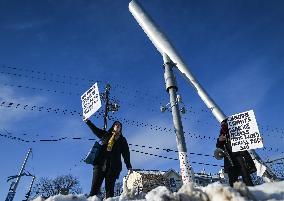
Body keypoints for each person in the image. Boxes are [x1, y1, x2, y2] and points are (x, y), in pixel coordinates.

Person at [83, 118, 132, 198]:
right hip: (100, 164)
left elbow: (126, 153)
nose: (117, 125)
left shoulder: (122, 140)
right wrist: (88, 121)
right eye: (116, 124)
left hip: (113, 167)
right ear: (113, 126)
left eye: (119, 125)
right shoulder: (105, 134)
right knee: (94, 189)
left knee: (110, 191)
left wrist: (129, 166)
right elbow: (95, 130)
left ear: (120, 128)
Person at [216, 119, 256, 187]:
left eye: (224, 124)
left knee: (245, 175)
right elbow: (218, 146)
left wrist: (256, 139)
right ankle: (235, 193)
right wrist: (220, 140)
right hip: (229, 159)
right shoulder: (222, 135)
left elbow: (248, 139)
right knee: (232, 178)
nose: (223, 126)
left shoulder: (238, 132)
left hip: (240, 156)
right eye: (222, 125)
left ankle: (251, 190)